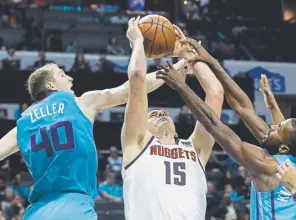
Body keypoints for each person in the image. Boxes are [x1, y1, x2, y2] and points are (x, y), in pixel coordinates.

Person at [0, 20, 190, 219]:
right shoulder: (81, 103)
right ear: (51, 85)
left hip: (36, 212)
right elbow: (132, 89)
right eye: (62, 75)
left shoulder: (22, 125)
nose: (70, 79)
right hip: (74, 207)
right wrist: (181, 65)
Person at [157, 38, 296, 220]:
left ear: (284, 148)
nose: (271, 127)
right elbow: (242, 106)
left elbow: (213, 124)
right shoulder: (294, 156)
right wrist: (209, 59)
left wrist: (181, 86)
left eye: (277, 129)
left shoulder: (268, 165)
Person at [121, 20, 224, 220]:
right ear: (143, 127)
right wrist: (139, 42)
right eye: (153, 114)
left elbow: (216, 93)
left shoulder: (196, 148)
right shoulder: (136, 144)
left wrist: (188, 55)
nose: (161, 114)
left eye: (164, 113)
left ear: (176, 130)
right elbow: (137, 78)